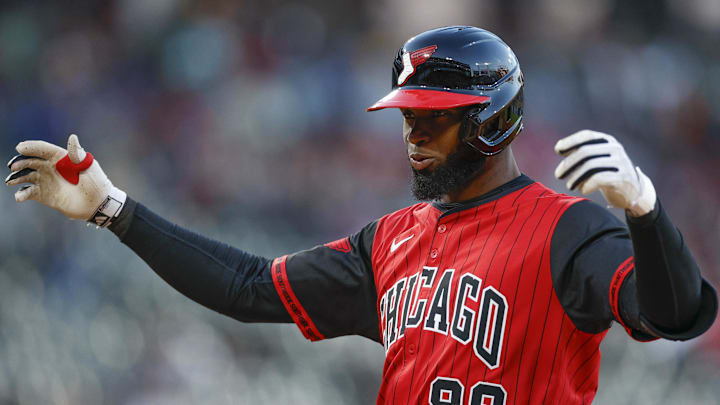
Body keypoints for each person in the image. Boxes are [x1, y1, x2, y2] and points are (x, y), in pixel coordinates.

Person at [5, 26, 717, 405]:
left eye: (432, 121)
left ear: (491, 124)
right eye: (408, 118)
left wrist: (646, 213)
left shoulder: (567, 228)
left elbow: (675, 313)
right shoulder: (392, 240)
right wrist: (112, 208)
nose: (412, 136)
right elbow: (247, 287)